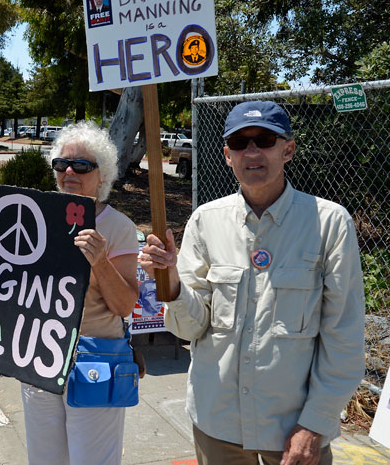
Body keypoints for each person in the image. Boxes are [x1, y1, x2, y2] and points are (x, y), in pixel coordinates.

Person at [139, 101, 365, 465]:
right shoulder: (205, 222)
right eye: (241, 143)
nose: (253, 151)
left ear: (288, 149)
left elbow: (344, 336)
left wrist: (315, 424)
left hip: (293, 429)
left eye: (264, 139)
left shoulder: (329, 224)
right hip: (219, 424)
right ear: (227, 155)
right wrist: (174, 284)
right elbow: (190, 328)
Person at [0, 101, 140, 465]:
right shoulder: (40, 212)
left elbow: (125, 305)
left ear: (102, 175)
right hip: (38, 357)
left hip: (93, 363)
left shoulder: (118, 227)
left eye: (82, 165)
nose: (70, 171)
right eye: (61, 163)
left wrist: (100, 261)